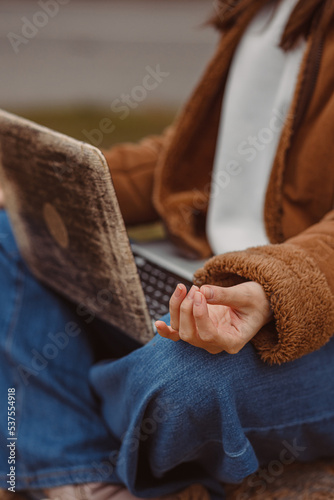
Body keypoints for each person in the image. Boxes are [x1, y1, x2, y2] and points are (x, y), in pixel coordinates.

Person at [1, 0, 334, 499]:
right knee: (11, 232)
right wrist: (45, 179)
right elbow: (197, 152)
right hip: (208, 277)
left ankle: (56, 435)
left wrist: (274, 286)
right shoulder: (257, 11)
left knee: (183, 384)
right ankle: (78, 474)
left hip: (308, 312)